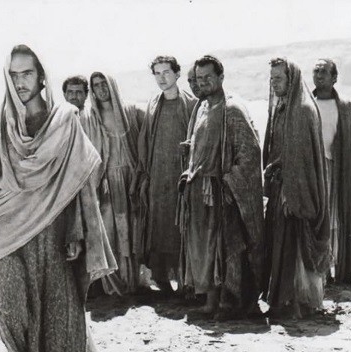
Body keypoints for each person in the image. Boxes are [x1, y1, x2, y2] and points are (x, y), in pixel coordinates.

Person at [0, 44, 114, 352]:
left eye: (27, 73)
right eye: (14, 74)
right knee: (13, 309)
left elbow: (80, 179)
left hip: (53, 230)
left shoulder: (65, 120)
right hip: (10, 233)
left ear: (40, 76)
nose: (20, 81)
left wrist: (76, 230)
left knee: (52, 312)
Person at [178, 55, 264, 319]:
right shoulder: (201, 108)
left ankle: (229, 303)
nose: (202, 83)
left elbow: (250, 154)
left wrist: (228, 182)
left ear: (221, 77)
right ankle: (210, 301)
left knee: (226, 248)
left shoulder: (232, 109)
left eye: (208, 77)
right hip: (199, 192)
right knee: (205, 249)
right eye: (199, 78)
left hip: (222, 194)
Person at [262, 58, 331, 318]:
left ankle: (297, 303)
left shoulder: (301, 110)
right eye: (271, 78)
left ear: (291, 80)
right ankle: (284, 300)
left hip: (297, 192)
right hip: (282, 187)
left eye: (278, 78)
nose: (274, 83)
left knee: (294, 245)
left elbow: (304, 159)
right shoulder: (282, 108)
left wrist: (291, 187)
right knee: (281, 243)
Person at [135, 56, 197, 296]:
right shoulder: (153, 105)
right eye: (157, 73)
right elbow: (145, 141)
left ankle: (184, 281)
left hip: (181, 177)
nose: (162, 78)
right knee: (158, 227)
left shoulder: (191, 104)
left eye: (166, 72)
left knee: (180, 227)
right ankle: (161, 278)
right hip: (158, 176)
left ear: (178, 73)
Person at [84, 71, 143, 295]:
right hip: (106, 180)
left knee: (132, 228)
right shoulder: (91, 118)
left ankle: (133, 281)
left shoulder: (130, 111)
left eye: (104, 84)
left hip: (130, 178)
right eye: (96, 85)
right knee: (111, 231)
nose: (101, 89)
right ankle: (113, 283)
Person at [312, 59, 351, 284]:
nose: (319, 75)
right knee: (317, 219)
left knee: (335, 219)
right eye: (316, 71)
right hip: (313, 170)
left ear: (334, 77)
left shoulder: (345, 107)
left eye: (324, 72)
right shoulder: (306, 105)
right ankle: (319, 272)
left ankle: (336, 269)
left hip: (337, 170)